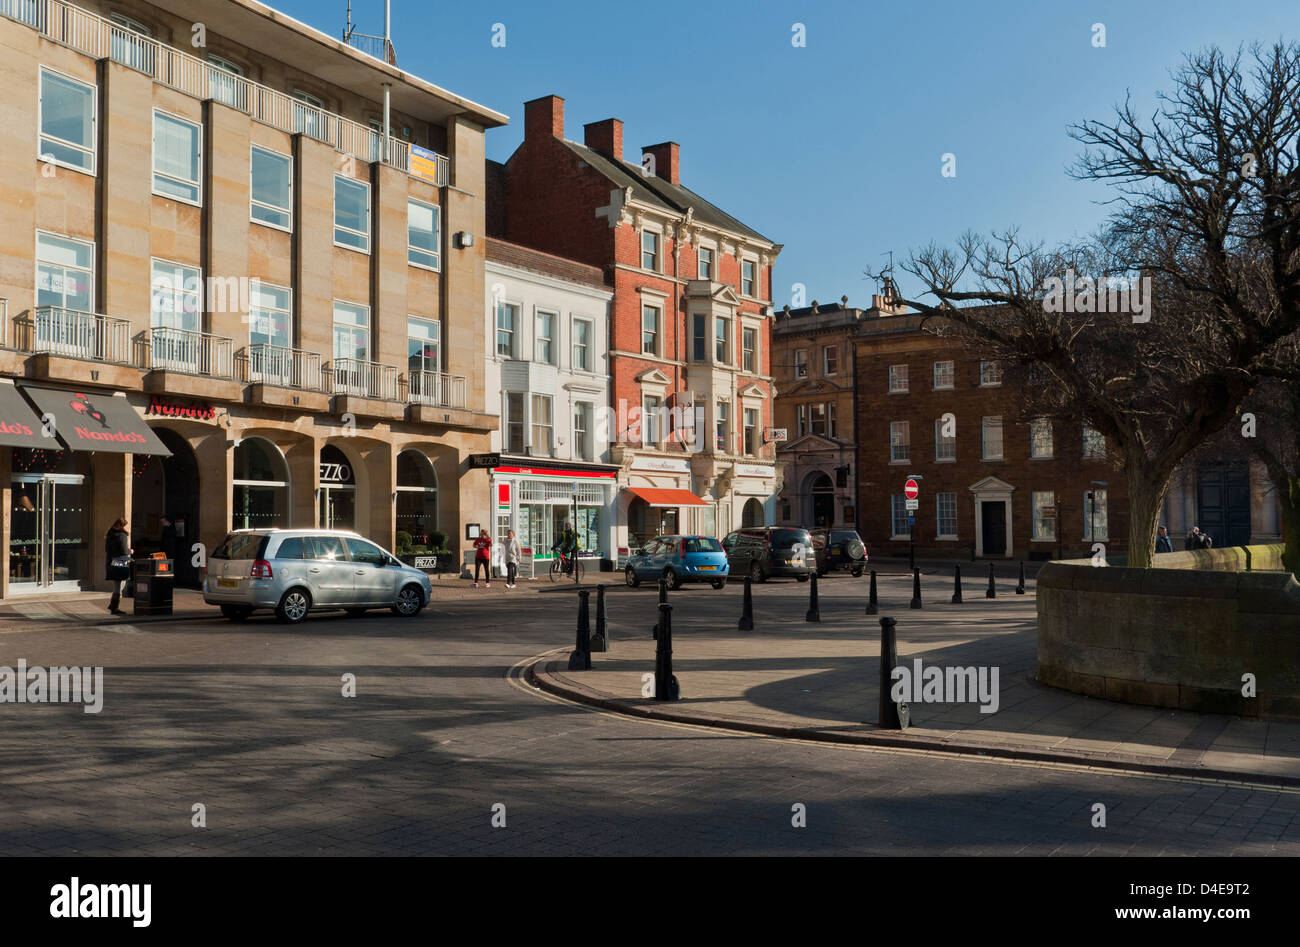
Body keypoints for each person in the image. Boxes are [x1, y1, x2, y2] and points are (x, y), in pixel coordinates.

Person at [105, 518, 131, 615]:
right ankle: (114, 607)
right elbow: (124, 550)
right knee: (120, 586)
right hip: (120, 562)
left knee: (117, 585)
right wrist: (130, 551)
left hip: (111, 562)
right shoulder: (122, 535)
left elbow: (107, 550)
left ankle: (113, 606)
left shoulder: (109, 534)